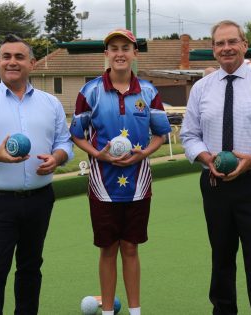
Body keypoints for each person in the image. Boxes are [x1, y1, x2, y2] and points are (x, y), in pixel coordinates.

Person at [0, 34, 74, 314]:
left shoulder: (50, 103)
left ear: (32, 63)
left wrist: (57, 158)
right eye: (6, 56)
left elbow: (64, 143)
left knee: (31, 269)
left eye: (19, 57)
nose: (12, 62)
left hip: (39, 199)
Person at [180, 20, 251, 314]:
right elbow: (189, 135)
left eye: (232, 42)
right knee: (221, 258)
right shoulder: (202, 88)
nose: (226, 48)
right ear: (213, 50)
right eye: (220, 43)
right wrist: (205, 158)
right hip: (215, 184)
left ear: (244, 45)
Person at [69, 29, 171, 315]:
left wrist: (144, 154)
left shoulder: (149, 91)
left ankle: (135, 311)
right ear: (106, 54)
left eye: (125, 48)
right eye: (113, 48)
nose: (119, 53)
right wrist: (97, 154)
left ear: (134, 53)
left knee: (130, 248)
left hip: (138, 184)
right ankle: (108, 312)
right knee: (108, 249)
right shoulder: (89, 91)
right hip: (102, 185)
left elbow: (160, 135)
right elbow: (76, 135)